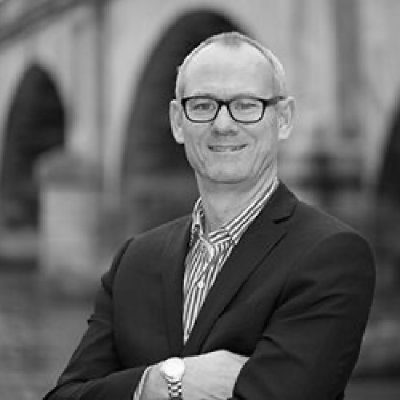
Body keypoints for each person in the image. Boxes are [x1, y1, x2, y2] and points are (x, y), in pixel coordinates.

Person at [44, 32, 375, 400]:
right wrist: (163, 382)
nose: (223, 125)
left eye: (247, 105)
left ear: (283, 118)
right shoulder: (133, 260)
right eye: (202, 106)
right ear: (177, 121)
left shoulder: (331, 255)